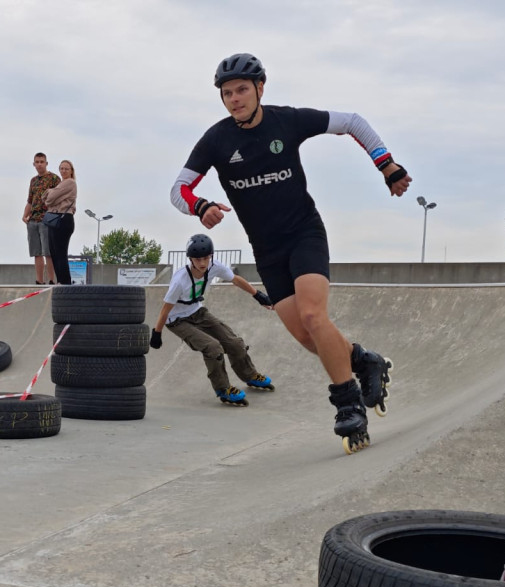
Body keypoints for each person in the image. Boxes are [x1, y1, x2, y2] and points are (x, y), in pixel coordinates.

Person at [170, 53, 409, 453]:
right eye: (227, 93)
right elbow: (178, 189)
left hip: (304, 234)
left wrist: (387, 165)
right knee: (305, 335)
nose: (235, 99)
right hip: (267, 250)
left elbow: (352, 121)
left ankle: (347, 405)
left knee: (315, 316)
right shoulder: (217, 140)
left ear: (260, 88)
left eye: (242, 90)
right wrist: (200, 207)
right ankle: (364, 360)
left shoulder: (288, 120)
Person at [150, 234, 275, 405]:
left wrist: (258, 295)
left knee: (235, 343)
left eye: (206, 258)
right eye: (198, 259)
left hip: (198, 312)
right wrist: (156, 333)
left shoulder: (215, 267)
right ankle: (223, 389)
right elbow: (165, 309)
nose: (202, 263)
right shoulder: (179, 280)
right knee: (213, 348)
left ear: (211, 257)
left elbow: (235, 279)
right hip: (177, 320)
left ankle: (250, 375)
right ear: (191, 259)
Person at [22, 152, 60, 285]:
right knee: (36, 252)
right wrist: (24, 215)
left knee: (48, 252)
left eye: (41, 162)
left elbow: (59, 198)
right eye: (37, 162)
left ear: (46, 163)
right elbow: (30, 201)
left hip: (47, 219)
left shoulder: (54, 178)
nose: (39, 164)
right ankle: (39, 280)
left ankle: (51, 280)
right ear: (34, 164)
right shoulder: (33, 181)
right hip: (33, 219)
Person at [43, 160, 77, 285]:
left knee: (60, 252)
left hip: (63, 219)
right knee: (54, 252)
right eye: (61, 168)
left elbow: (49, 199)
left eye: (66, 169)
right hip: (55, 219)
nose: (63, 171)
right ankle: (61, 281)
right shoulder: (61, 184)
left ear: (71, 171)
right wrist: (52, 193)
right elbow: (44, 198)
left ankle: (65, 282)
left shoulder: (70, 183)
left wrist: (51, 192)